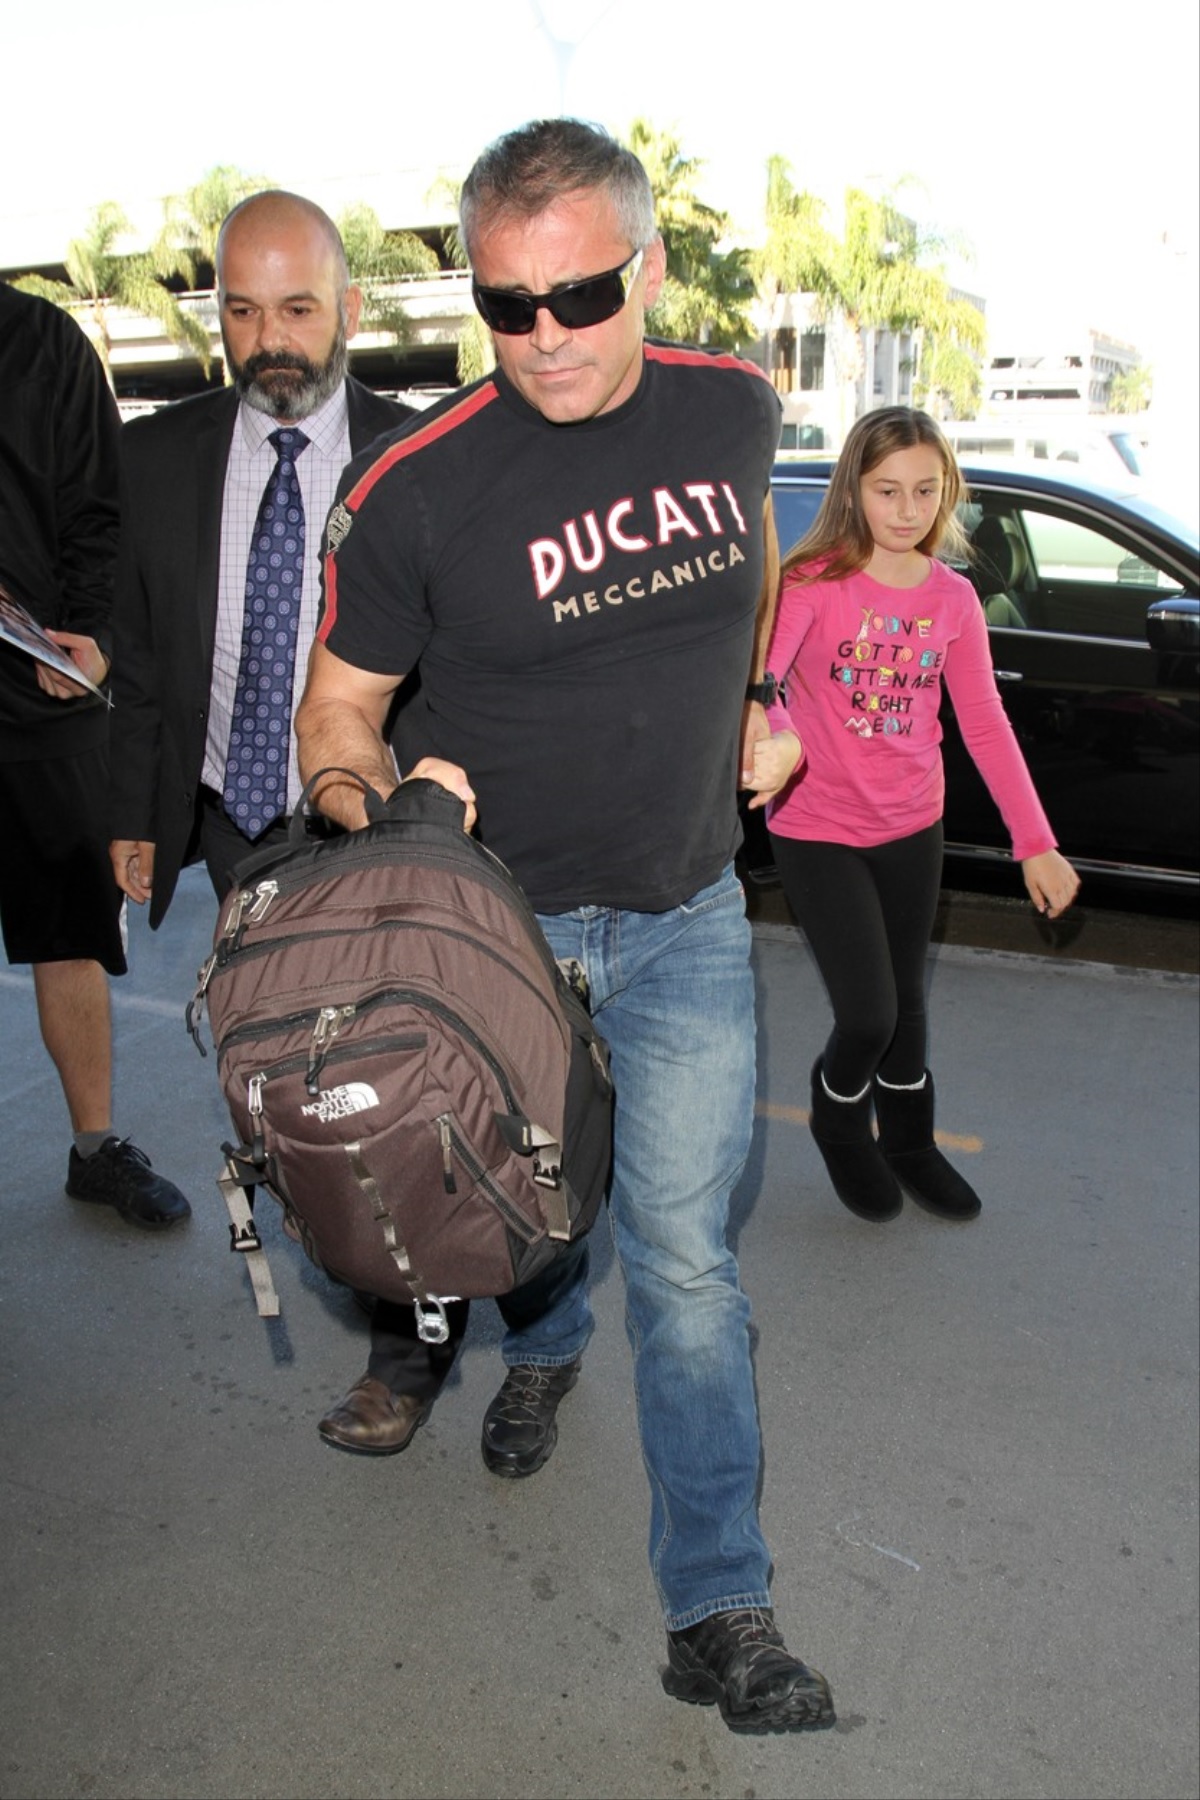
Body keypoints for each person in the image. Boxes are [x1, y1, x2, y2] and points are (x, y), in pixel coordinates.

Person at [294, 119, 833, 1737]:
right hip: (492, 944)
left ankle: (717, 1604)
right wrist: (386, 807)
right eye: (505, 306)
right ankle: (538, 1335)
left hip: (682, 918)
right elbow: (334, 719)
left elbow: (752, 572)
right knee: (521, 1231)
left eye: (580, 297)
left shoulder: (733, 409)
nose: (543, 339)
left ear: (647, 272)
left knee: (685, 1262)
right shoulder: (417, 488)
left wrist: (759, 702)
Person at [757, 406, 1080, 1223]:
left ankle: (908, 1140)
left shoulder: (954, 600)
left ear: (947, 493)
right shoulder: (813, 583)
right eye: (888, 490)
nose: (907, 510)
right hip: (817, 824)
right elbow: (764, 689)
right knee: (868, 1013)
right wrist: (784, 739)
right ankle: (837, 1115)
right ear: (853, 491)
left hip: (912, 823)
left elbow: (983, 725)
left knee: (910, 1005)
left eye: (926, 492)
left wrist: (1035, 843)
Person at [108, 190, 414, 921]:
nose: (270, 339)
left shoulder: (416, 458)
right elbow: (140, 662)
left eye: (298, 310)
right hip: (230, 835)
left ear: (351, 307)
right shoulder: (153, 458)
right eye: (243, 312)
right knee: (256, 1031)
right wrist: (132, 809)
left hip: (377, 829)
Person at [0, 282, 190, 1229]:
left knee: (68, 932)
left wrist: (96, 640)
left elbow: (103, 515)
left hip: (40, 690)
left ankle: (94, 1147)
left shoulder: (42, 343)